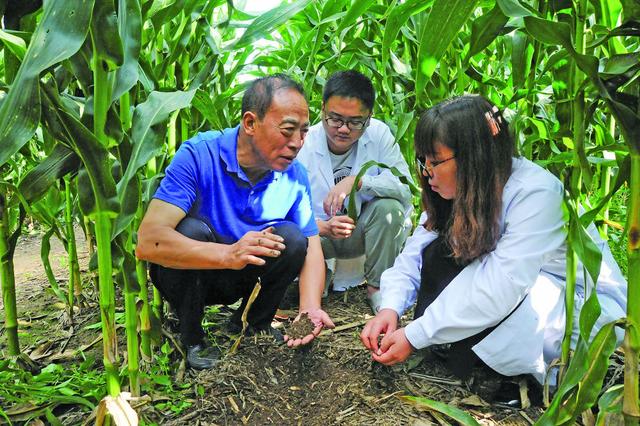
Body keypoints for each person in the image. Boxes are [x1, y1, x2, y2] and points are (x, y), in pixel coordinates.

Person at [360, 95, 627, 396]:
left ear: (474, 158)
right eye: (422, 160)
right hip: (518, 291)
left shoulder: (536, 194)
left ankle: (534, 378)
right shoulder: (462, 190)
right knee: (438, 252)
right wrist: (390, 307)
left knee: (509, 288)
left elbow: (501, 285)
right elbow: (416, 254)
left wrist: (415, 335)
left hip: (578, 305)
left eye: (435, 162)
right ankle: (475, 357)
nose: (425, 172)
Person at [136, 74, 334, 370]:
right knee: (190, 230)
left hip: (243, 277)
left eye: (304, 132)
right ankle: (192, 336)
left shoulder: (295, 177)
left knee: (293, 238)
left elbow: (312, 247)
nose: (297, 143)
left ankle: (254, 325)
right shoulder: (198, 155)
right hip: (193, 276)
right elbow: (148, 241)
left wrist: (309, 308)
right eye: (288, 130)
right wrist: (229, 254)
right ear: (250, 123)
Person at [296, 70, 413, 314]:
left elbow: (405, 189)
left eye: (355, 122)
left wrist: (359, 181)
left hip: (360, 234)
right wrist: (322, 226)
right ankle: (316, 283)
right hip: (316, 238)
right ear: (322, 110)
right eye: (335, 119)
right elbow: (282, 210)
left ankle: (377, 289)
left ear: (369, 118)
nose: (344, 129)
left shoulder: (379, 135)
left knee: (390, 209)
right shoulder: (303, 143)